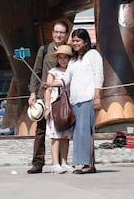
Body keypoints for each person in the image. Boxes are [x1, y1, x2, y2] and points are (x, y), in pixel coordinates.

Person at [51, 28, 103, 174]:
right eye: (73, 41)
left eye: (77, 41)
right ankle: (83, 163)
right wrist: (53, 83)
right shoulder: (73, 60)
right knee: (79, 133)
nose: (75, 43)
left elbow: (99, 76)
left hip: (89, 98)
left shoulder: (93, 55)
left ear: (85, 41)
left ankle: (89, 165)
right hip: (76, 101)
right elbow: (67, 77)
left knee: (87, 131)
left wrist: (97, 97)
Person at [27, 19, 70, 174]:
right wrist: (32, 92)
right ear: (52, 33)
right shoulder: (44, 50)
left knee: (62, 129)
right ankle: (37, 163)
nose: (58, 35)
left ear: (66, 35)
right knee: (40, 131)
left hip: (63, 97)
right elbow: (35, 71)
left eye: (62, 32)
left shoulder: (70, 51)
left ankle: (59, 163)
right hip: (44, 96)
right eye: (56, 32)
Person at [44, 44, 74, 174]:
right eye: (60, 57)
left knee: (65, 136)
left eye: (65, 57)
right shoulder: (53, 72)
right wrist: (47, 107)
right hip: (55, 106)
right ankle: (55, 163)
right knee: (55, 136)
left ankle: (64, 161)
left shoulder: (71, 71)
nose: (63, 60)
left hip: (68, 106)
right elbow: (48, 90)